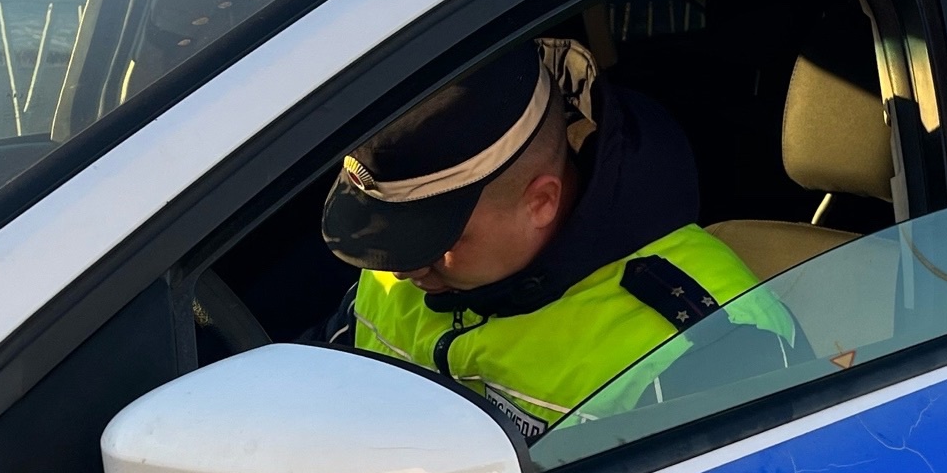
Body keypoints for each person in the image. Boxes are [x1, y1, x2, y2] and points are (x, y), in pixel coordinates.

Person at [320, 38, 790, 440]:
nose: (403, 269)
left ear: (541, 202)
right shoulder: (413, 266)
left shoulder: (706, 351)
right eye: (400, 237)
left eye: (434, 238)